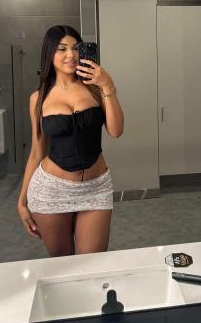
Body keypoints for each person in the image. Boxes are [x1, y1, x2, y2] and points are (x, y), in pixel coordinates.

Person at [17, 25, 124, 257]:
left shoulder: (96, 89)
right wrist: (22, 201)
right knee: (63, 264)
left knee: (92, 264)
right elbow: (36, 153)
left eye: (76, 48)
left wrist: (108, 85)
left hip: (96, 188)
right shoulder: (38, 98)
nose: (71, 55)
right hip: (51, 190)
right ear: (49, 54)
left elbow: (116, 131)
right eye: (62, 49)